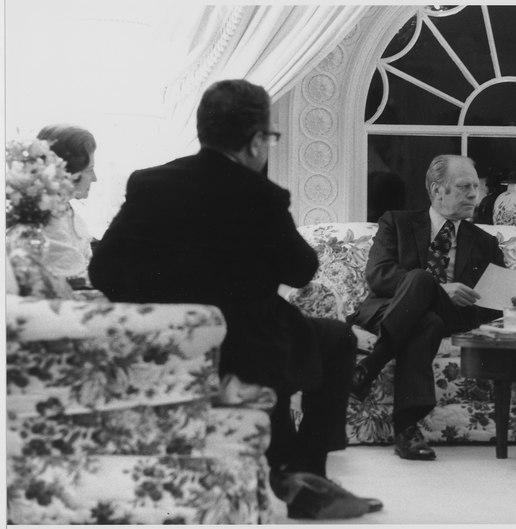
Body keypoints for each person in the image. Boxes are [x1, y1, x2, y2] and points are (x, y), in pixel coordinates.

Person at [88, 79, 382, 520]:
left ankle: (290, 470)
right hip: (244, 350)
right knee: (337, 338)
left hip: (165, 346)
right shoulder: (261, 196)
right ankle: (308, 475)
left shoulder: (149, 183)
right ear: (254, 141)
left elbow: (103, 271)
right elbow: (301, 269)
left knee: (286, 332)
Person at [349, 154, 516, 460]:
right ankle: (407, 430)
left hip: (452, 314)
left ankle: (370, 366)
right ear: (436, 190)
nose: (473, 195)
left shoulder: (485, 243)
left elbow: (495, 301)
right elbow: (379, 275)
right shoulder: (396, 222)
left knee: (425, 294)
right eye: (463, 187)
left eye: (475, 187)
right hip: (392, 309)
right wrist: (437, 287)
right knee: (424, 310)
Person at [36, 124, 97, 287]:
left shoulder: (65, 211)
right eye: (90, 170)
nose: (95, 178)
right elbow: (73, 283)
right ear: (69, 174)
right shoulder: (50, 223)